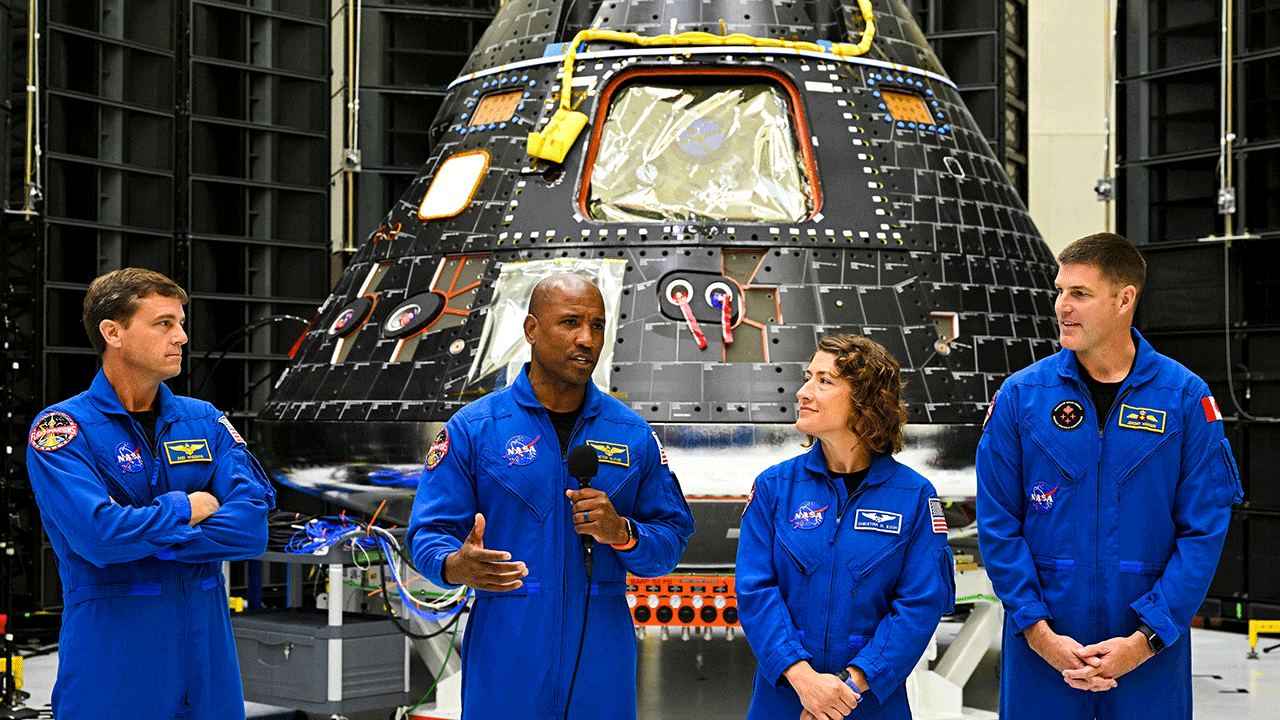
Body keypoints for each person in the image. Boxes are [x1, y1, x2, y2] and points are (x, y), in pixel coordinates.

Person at [976, 233, 1242, 719]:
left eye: (1080, 293)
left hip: (1146, 649)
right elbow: (998, 523)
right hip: (1044, 648)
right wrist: (1038, 632)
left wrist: (1145, 639)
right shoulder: (1021, 397)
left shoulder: (1184, 399)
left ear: (1124, 299)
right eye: (1060, 291)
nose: (1062, 306)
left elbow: (1203, 531)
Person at [408, 273, 695, 720]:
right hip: (507, 654)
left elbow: (670, 540)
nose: (587, 339)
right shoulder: (475, 429)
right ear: (531, 330)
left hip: (603, 661)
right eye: (570, 322)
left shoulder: (632, 434)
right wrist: (454, 565)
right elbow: (428, 533)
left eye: (597, 325)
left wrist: (623, 532)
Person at [26, 268, 275, 719]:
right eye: (164, 323)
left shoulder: (204, 420)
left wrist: (144, 535)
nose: (181, 336)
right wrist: (185, 508)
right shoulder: (63, 429)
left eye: (180, 323)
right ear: (113, 333)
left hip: (209, 664)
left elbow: (251, 529)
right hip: (113, 665)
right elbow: (98, 537)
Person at [736, 334, 955, 720]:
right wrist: (804, 680)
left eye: (824, 381)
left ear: (866, 399)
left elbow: (920, 605)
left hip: (869, 699)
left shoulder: (914, 497)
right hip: (785, 695)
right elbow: (755, 590)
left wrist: (846, 688)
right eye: (808, 377)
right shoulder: (774, 487)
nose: (803, 392)